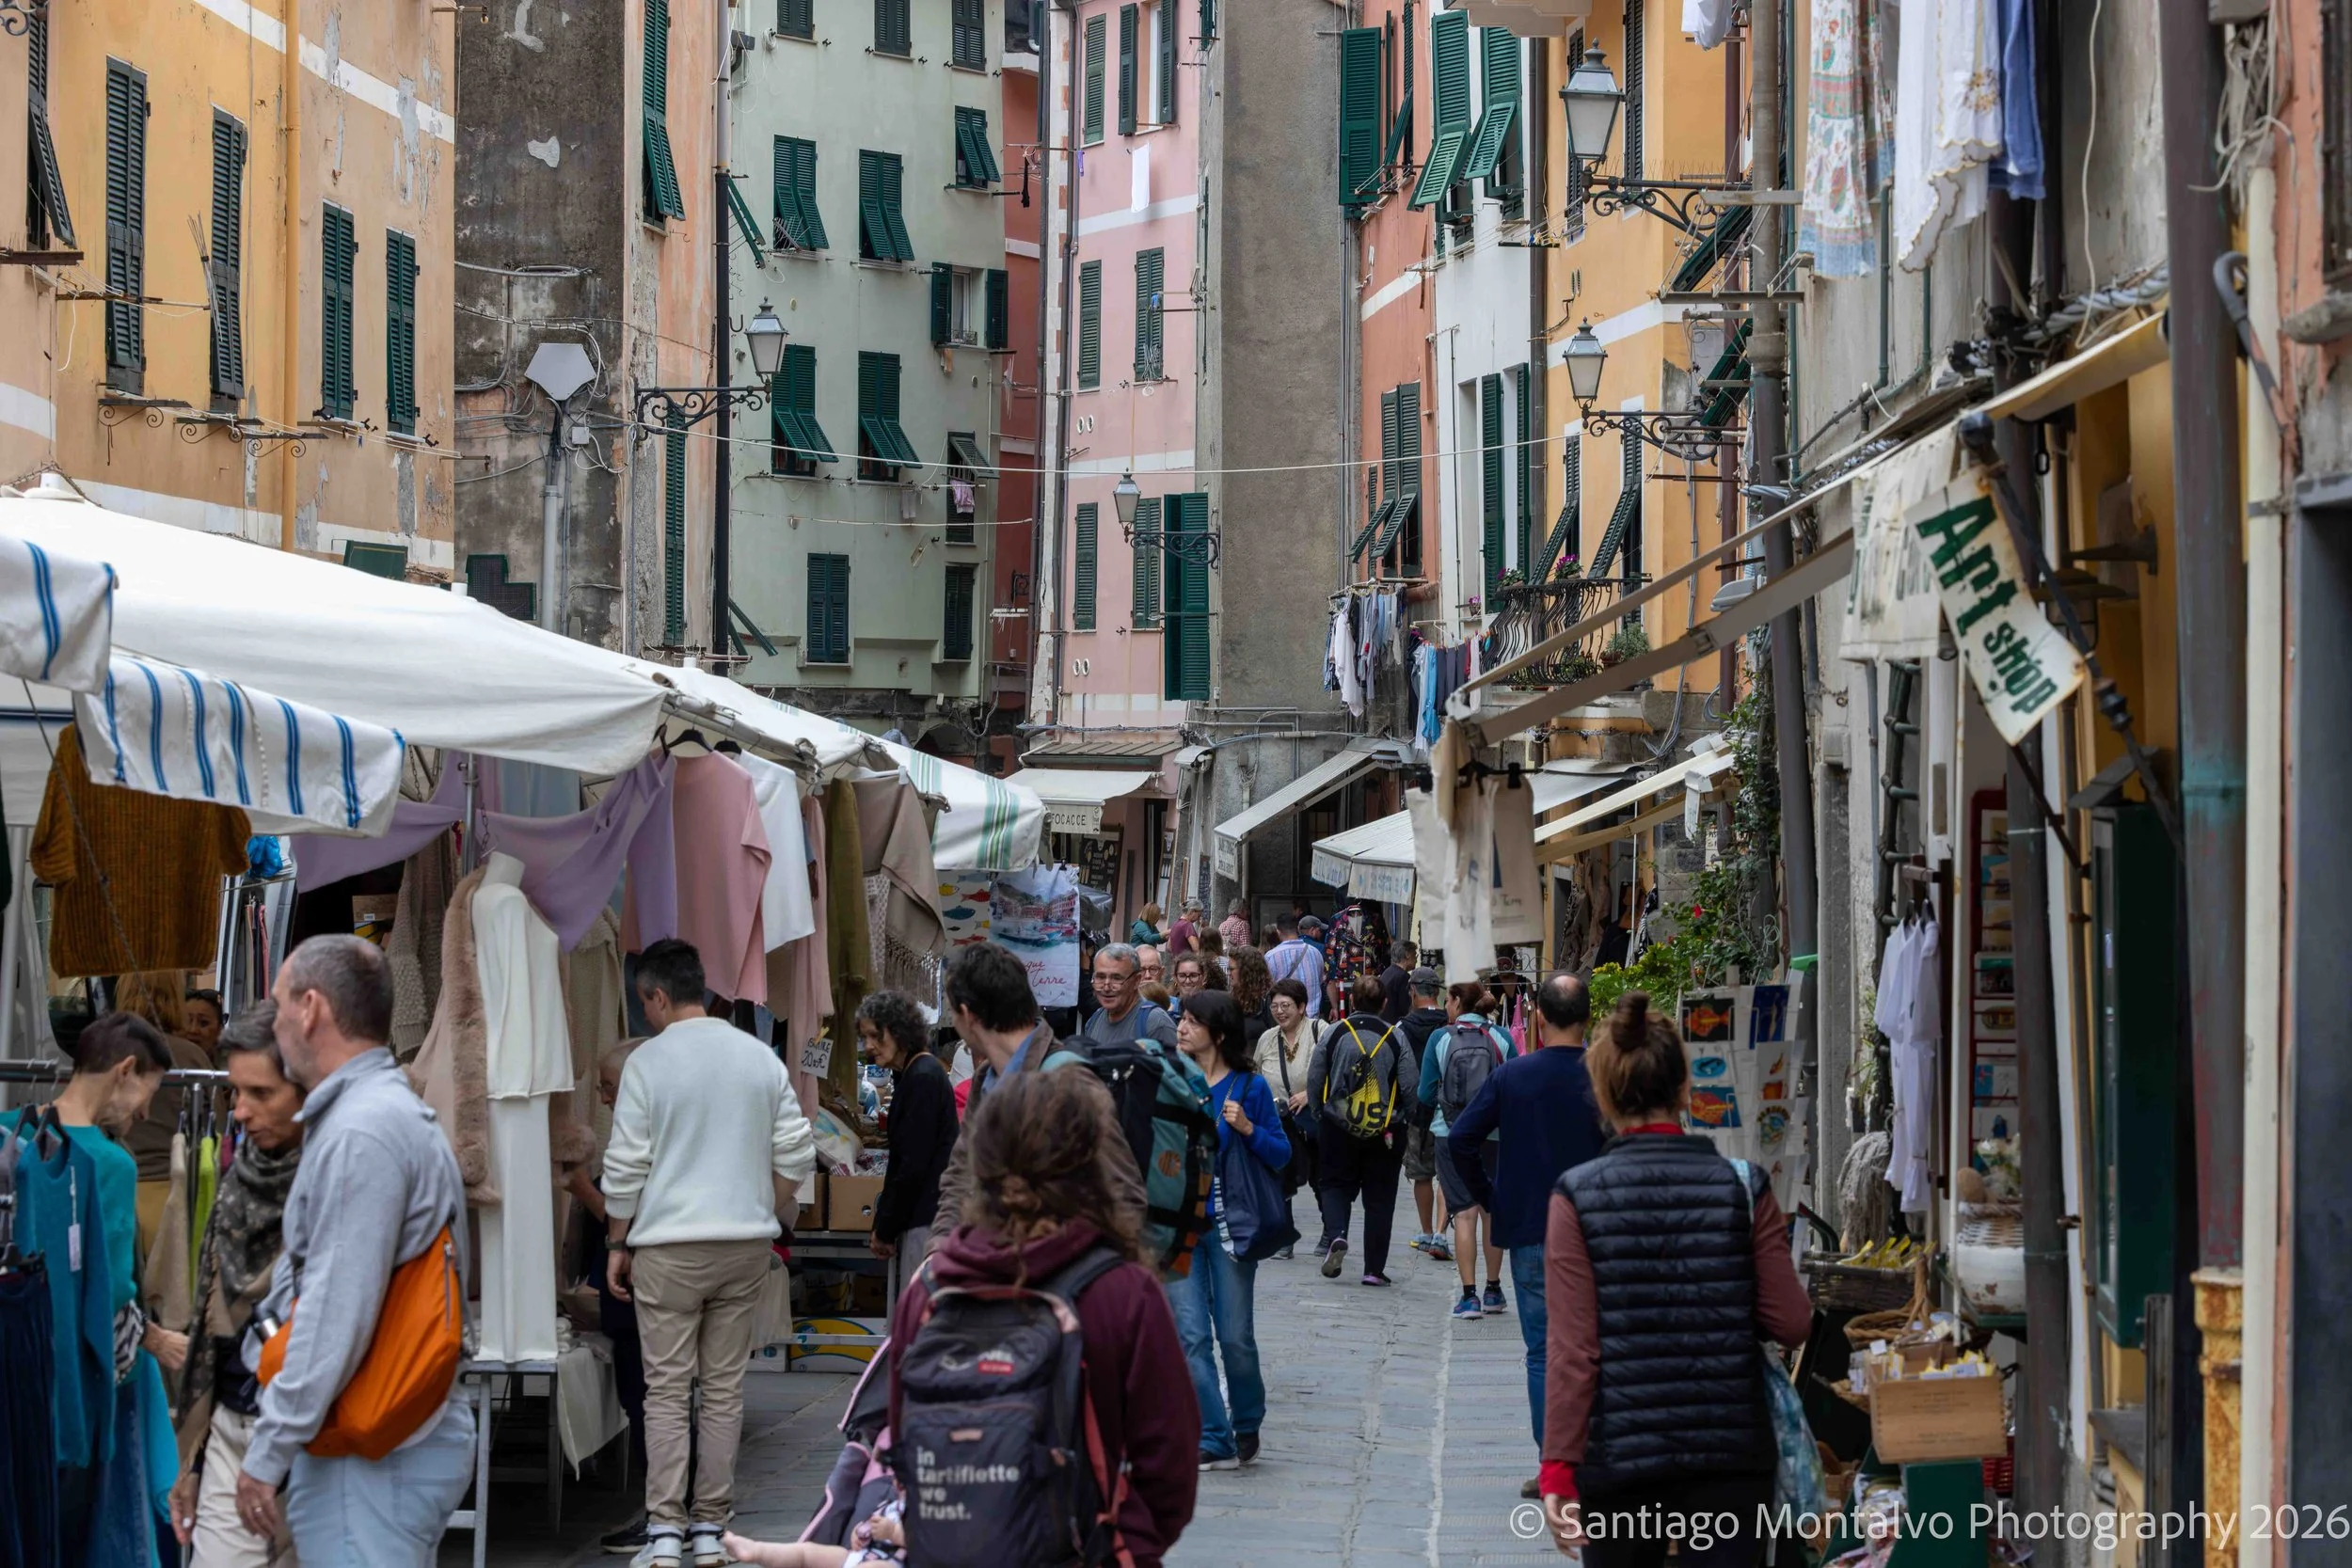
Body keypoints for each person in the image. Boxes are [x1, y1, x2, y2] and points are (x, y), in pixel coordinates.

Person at [1538, 991, 1811, 1564]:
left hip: (1620, 1459)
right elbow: (1791, 1323)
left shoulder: (1576, 1196)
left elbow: (1573, 1352)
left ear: (1604, 1096)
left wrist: (1558, 1469)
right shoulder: (1744, 1186)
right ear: (1687, 1091)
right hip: (1731, 1455)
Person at [891, 1069, 1199, 1563]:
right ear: (1090, 1161)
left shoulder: (929, 1290)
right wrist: (1124, 1544)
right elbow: (1170, 1468)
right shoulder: (1123, 1292)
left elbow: (901, 1439)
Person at [239, 935, 472, 1567]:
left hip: (372, 1453)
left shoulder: (362, 1128)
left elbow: (335, 1311)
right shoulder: (382, 1113)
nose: (278, 1018)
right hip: (382, 1443)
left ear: (310, 1007)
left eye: (279, 1002)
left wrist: (267, 1453)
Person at [603, 939, 818, 1568]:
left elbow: (625, 1166)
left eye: (645, 1001)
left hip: (668, 1246)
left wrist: (618, 1240)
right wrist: (769, 1205)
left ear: (657, 996)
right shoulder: (758, 1058)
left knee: (666, 1391)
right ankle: (709, 1531)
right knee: (724, 1390)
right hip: (744, 1244)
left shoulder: (647, 1063)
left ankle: (665, 1535)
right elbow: (796, 1153)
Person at [1450, 974, 1610, 1499]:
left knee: (1543, 1351)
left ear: (1538, 1016)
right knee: (1597, 1346)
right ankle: (1596, 1459)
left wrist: (1492, 1197)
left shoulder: (1513, 1076)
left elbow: (1461, 1139)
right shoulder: (1606, 1077)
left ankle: (1553, 1468)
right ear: (1588, 1016)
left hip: (1532, 1228)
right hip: (1596, 1232)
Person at [170, 1003, 304, 1568]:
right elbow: (212, 1329)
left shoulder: (345, 1176)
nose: (240, 1111)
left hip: (320, 1441)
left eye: (261, 1093)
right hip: (232, 1426)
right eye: (235, 1092)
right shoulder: (238, 1181)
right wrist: (193, 1463)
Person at [930, 942, 1145, 1252]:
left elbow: (1126, 1195)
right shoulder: (985, 1081)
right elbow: (960, 1175)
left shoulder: (1068, 1081)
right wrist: (939, 1250)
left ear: (966, 1014)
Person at [1168, 991, 1288, 1470]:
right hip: (1178, 1225)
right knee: (1190, 1336)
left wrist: (1246, 1130)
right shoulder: (1170, 1079)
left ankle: (1246, 1420)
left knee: (1235, 1335)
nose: (1181, 1028)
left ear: (1217, 1033)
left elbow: (1281, 1155)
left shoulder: (1248, 1087)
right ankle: (1213, 1434)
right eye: (1182, 1019)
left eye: (1192, 1022)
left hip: (1230, 1225)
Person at [564, 1037, 658, 1559]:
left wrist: (581, 1190)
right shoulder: (639, 1131)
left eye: (608, 1087)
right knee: (648, 1401)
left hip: (642, 1296)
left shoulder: (643, 1137)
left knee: (650, 1403)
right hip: (634, 1299)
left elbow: (631, 1218)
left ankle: (662, 1514)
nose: (603, 1098)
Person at [1306, 975, 1417, 1284]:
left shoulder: (1335, 1033)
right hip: (1385, 1131)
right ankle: (1373, 1270)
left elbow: (1315, 1075)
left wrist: (1318, 1111)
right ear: (1384, 1004)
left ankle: (1337, 1234)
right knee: (1380, 1199)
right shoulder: (1396, 1037)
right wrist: (1405, 1117)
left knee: (1333, 1185)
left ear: (1351, 1002)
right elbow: (1409, 1083)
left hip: (1337, 1125)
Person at [1422, 982, 1518, 1318]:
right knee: (1490, 1210)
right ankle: (1494, 1290)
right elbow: (1513, 1085)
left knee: (1463, 1213)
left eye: (1447, 1000)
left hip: (1451, 1134)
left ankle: (1469, 1296)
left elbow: (1424, 1092)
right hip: (1492, 1134)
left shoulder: (1440, 1038)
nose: (1446, 1006)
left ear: (1458, 1002)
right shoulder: (1502, 1037)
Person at [856, 991, 958, 1288]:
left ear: (900, 1031)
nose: (869, 1046)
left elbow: (911, 1165)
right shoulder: (914, 1074)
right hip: (923, 1219)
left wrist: (885, 1228)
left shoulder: (922, 1077)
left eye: (876, 1036)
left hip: (928, 1220)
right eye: (864, 1038)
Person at [114, 969, 220, 1240]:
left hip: (112, 1194)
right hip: (176, 1198)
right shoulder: (191, 1057)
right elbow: (217, 1130)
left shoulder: (105, 1051)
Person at [1391, 968, 1453, 1259]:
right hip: (1450, 1108)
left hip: (1416, 1110)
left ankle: (1427, 1230)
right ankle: (1441, 1233)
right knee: (1446, 1174)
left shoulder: (1402, 1028)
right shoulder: (1450, 1023)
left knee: (1422, 1175)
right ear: (1438, 993)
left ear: (1412, 992)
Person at [1074, 943, 1181, 1054]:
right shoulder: (1094, 1021)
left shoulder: (1156, 1024)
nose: (1106, 987)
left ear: (1136, 980)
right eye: (1100, 977)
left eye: (1117, 978)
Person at [1263, 913, 1327, 1020]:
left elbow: (1267, 988)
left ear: (1278, 932)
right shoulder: (1315, 953)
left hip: (1285, 1021)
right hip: (1312, 1022)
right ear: (1297, 929)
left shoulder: (1271, 956)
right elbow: (1320, 981)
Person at [1228, 945, 1275, 1043]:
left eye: (1231, 969)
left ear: (1245, 971)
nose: (1229, 973)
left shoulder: (1268, 1000)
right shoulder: (1232, 998)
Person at [1169, 952, 1227, 1019]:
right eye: (1182, 976)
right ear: (1175, 978)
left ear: (1204, 978)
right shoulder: (1166, 1005)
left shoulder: (1214, 1009)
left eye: (1193, 975)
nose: (1187, 981)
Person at [1377, 942, 1418, 1024]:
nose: (1416, 959)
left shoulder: (1388, 972)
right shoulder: (1403, 977)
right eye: (1415, 954)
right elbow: (1407, 1008)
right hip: (1396, 1026)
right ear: (1407, 955)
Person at [183, 989, 226, 1061]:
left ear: (220, 1029)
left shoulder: (232, 1067)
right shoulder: (164, 1064)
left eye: (204, 1023)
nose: (193, 1030)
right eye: (187, 1021)